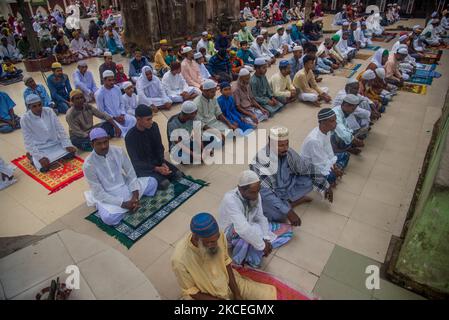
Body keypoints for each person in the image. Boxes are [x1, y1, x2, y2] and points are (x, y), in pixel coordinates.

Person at [171, 212, 278, 300]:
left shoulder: (219, 236)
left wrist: (236, 293)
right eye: (209, 242)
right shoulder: (179, 259)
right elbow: (191, 291)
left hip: (226, 283)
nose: (214, 244)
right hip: (205, 294)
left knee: (267, 296)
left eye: (216, 239)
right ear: (196, 238)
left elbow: (226, 262)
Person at [250, 126, 333, 226]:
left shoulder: (288, 152)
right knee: (279, 216)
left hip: (287, 187)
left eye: (286, 144)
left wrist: (325, 184)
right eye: (280, 146)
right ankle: (290, 204)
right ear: (270, 142)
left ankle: (288, 203)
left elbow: (306, 167)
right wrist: (288, 212)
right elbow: (266, 192)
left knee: (310, 180)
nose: (285, 148)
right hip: (270, 193)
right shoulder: (261, 160)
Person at [83, 127, 158, 226]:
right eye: (99, 144)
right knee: (108, 218)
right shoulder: (88, 165)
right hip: (108, 194)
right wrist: (123, 204)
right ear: (92, 144)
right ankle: (120, 207)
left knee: (153, 182)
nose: (104, 146)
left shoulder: (118, 151)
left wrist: (135, 196)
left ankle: (131, 205)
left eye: (106, 142)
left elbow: (131, 173)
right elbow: (98, 192)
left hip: (125, 185)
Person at [219, 170, 293, 268]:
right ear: (241, 189)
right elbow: (243, 229)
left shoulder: (256, 194)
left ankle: (255, 247)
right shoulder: (230, 200)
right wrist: (262, 245)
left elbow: (260, 217)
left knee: (286, 231)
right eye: (252, 192)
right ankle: (249, 258)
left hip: (249, 225)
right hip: (231, 233)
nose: (256, 195)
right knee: (254, 231)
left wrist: (266, 239)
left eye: (258, 190)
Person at [125, 105, 183, 190]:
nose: (151, 122)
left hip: (157, 162)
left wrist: (162, 162)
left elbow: (159, 147)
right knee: (165, 183)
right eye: (148, 119)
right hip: (143, 168)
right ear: (138, 119)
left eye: (151, 118)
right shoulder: (130, 137)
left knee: (178, 175)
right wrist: (156, 169)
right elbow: (136, 162)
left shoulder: (154, 126)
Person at [20, 94, 76, 173]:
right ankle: (32, 157)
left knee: (71, 154)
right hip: (40, 148)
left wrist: (67, 144)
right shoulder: (25, 119)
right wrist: (40, 158)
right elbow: (28, 141)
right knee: (43, 169)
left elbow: (60, 129)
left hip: (55, 143)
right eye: (34, 106)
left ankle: (37, 158)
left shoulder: (49, 111)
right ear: (29, 107)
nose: (38, 108)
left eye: (39, 105)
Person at [300, 108, 349, 186]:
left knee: (345, 155)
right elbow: (319, 163)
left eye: (335, 120)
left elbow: (328, 150)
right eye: (332, 121)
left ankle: (335, 172)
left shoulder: (327, 131)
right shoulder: (314, 140)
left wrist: (334, 165)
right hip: (311, 166)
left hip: (322, 159)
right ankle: (330, 178)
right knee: (331, 176)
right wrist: (333, 169)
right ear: (323, 123)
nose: (335, 123)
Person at [95, 70, 137, 137]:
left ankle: (129, 132)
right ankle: (127, 133)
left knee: (133, 120)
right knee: (119, 130)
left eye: (113, 80)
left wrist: (122, 114)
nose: (112, 82)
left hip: (120, 115)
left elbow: (121, 103)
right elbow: (101, 111)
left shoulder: (117, 88)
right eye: (109, 80)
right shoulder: (99, 94)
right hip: (109, 119)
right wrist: (114, 118)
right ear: (104, 80)